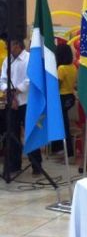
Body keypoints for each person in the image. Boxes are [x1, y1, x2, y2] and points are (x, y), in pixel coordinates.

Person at [0, 39, 43, 176]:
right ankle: (14, 164)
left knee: (30, 133)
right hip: (11, 103)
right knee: (12, 134)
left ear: (17, 45)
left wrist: (15, 92)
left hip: (27, 102)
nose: (7, 48)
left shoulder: (29, 58)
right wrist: (9, 93)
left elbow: (30, 80)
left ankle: (36, 165)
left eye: (9, 45)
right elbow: (2, 80)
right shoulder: (7, 60)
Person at [51, 43, 77, 158]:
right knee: (64, 123)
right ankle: (64, 149)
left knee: (62, 125)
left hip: (62, 97)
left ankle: (66, 150)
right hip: (70, 97)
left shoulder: (61, 68)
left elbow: (56, 86)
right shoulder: (73, 67)